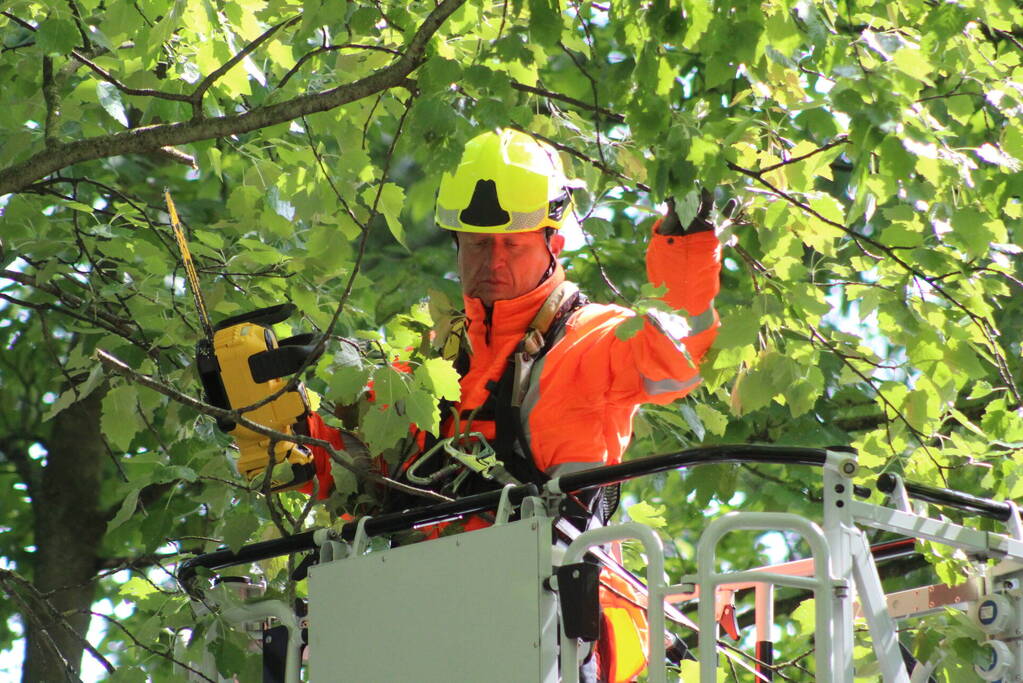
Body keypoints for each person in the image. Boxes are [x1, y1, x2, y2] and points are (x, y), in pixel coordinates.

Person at [293, 128, 723, 681]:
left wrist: (685, 244)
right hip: (421, 631)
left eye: (512, 244)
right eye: (477, 243)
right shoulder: (424, 369)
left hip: (554, 630)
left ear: (554, 244)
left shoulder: (592, 340)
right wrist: (266, 413)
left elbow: (677, 353)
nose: (492, 259)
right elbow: (344, 468)